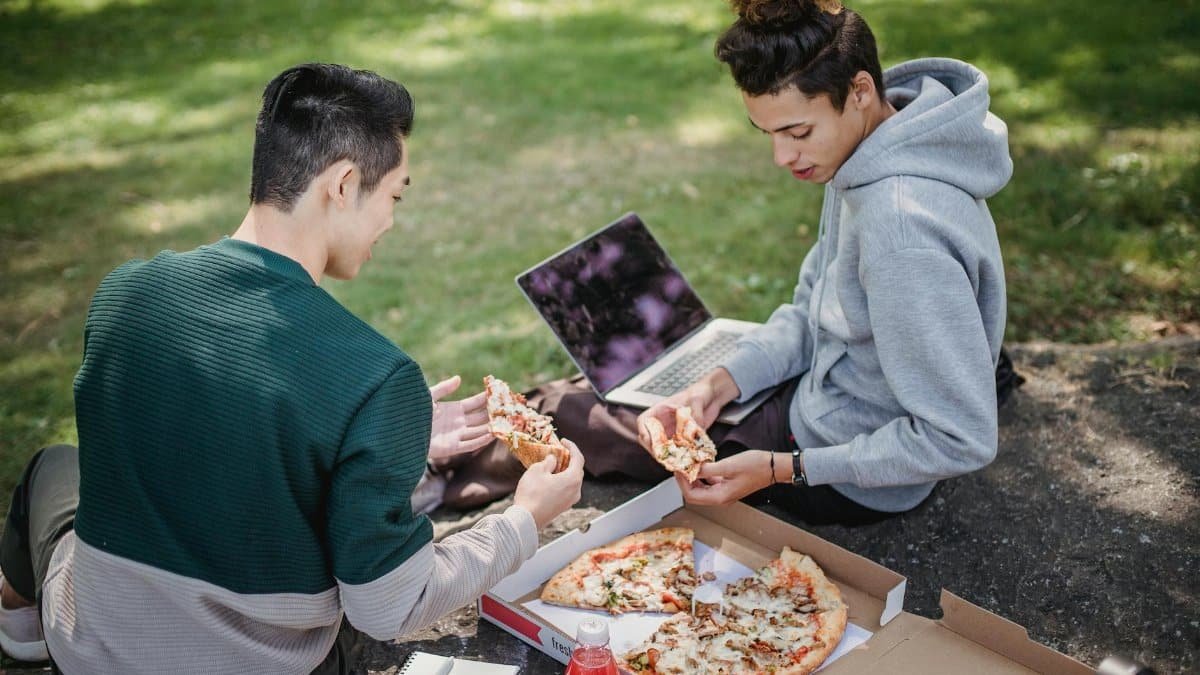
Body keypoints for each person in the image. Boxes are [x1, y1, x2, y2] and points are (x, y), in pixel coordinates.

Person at [0, 63, 584, 674]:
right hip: (259, 663)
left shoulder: (123, 295)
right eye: (395, 195)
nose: (391, 220)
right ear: (344, 183)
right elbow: (388, 605)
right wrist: (525, 518)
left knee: (53, 468)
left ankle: (18, 627)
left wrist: (391, 442)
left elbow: (207, 434)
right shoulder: (375, 377)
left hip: (92, 650)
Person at [444, 0, 1012, 527]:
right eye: (767, 133)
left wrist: (776, 470)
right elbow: (814, 312)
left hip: (837, 465)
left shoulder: (899, 228)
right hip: (826, 401)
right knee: (643, 393)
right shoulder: (876, 147)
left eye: (797, 132)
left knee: (571, 412)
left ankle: (424, 480)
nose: (781, 156)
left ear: (860, 89)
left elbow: (958, 437)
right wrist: (721, 383)